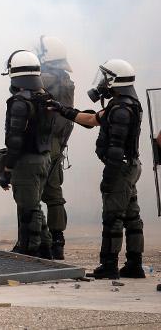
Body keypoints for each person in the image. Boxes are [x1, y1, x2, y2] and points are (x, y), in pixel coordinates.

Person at [50, 59, 144, 279]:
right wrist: (61, 109)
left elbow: (116, 149)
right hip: (129, 167)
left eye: (105, 78)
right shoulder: (124, 104)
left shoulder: (121, 109)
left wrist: (109, 177)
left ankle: (109, 266)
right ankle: (134, 265)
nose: (102, 83)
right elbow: (92, 119)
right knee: (132, 217)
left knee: (113, 218)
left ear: (114, 80)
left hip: (120, 168)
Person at [0, 50, 54, 259]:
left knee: (27, 210)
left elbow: (15, 140)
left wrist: (7, 167)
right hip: (44, 158)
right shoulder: (46, 97)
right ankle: (46, 250)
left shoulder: (19, 102)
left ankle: (30, 252)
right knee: (34, 206)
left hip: (27, 161)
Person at [34, 36, 75, 259]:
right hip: (58, 142)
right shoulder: (66, 81)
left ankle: (37, 241)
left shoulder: (41, 81)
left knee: (32, 192)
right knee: (54, 193)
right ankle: (58, 242)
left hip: (42, 142)